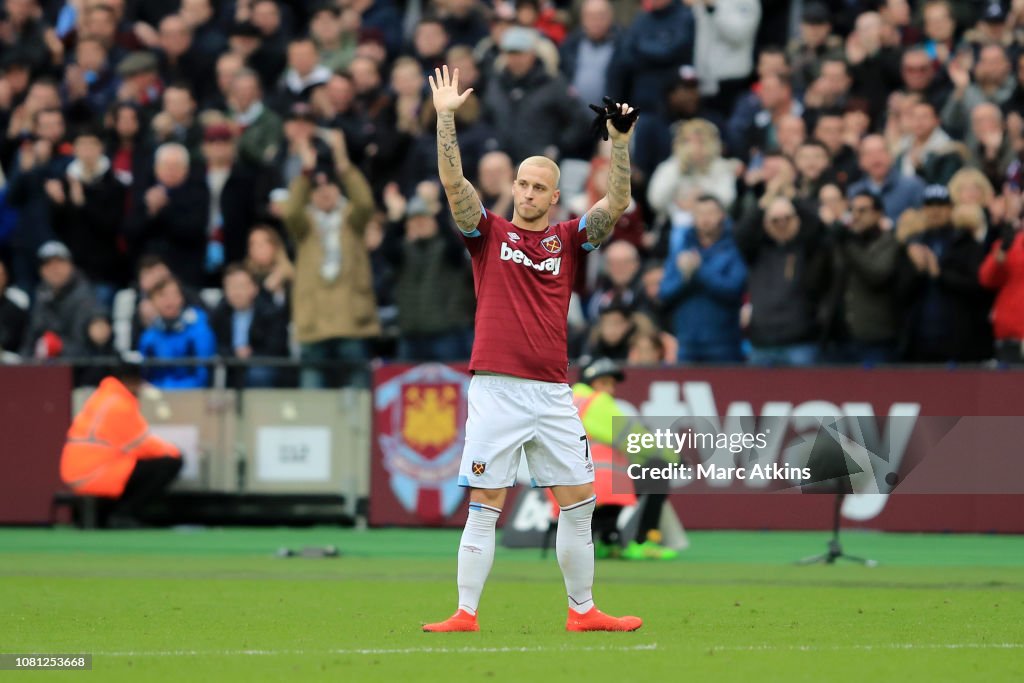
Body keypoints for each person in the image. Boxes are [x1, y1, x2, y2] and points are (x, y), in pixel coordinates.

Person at [423, 65, 642, 633]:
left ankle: (582, 611)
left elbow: (617, 201)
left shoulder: (568, 240)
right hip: (496, 387)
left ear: (554, 195)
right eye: (521, 183)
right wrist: (446, 116)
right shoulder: (487, 234)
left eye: (538, 186)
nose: (526, 192)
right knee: (485, 502)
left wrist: (619, 143)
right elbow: (453, 183)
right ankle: (465, 612)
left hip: (551, 390)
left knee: (580, 502)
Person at [284, 129, 377, 389]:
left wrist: (343, 163)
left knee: (358, 393)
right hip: (314, 319)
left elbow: (365, 203)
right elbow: (290, 211)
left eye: (330, 186)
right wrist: (306, 170)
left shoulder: (351, 219)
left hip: (350, 318)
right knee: (313, 394)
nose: (324, 192)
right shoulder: (305, 226)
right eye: (317, 188)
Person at [568, 358, 681, 561]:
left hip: (569, 484)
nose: (611, 390)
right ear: (591, 382)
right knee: (658, 468)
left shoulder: (569, 399)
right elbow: (632, 438)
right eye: (605, 383)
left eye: (612, 384)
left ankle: (605, 540)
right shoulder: (595, 402)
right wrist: (673, 457)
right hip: (599, 485)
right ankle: (642, 542)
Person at [60, 354, 183, 528]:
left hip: (78, 472)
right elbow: (143, 444)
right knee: (169, 463)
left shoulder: (102, 397)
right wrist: (174, 451)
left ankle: (111, 516)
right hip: (95, 473)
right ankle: (124, 514)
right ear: (132, 381)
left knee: (138, 465)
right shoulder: (120, 404)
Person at [137, 275, 217, 389]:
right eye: (162, 296)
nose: (169, 301)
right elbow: (145, 376)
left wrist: (167, 390)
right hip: (157, 398)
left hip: (193, 397)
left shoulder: (199, 330)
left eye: (174, 294)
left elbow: (202, 376)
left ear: (181, 298)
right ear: (153, 301)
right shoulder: (148, 337)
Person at [21, 241, 97, 359]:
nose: (54, 269)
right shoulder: (41, 295)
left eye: (59, 262)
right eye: (48, 264)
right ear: (41, 271)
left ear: (70, 265)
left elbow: (85, 349)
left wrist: (58, 347)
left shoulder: (84, 297)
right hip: (45, 368)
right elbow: (30, 341)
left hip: (76, 371)